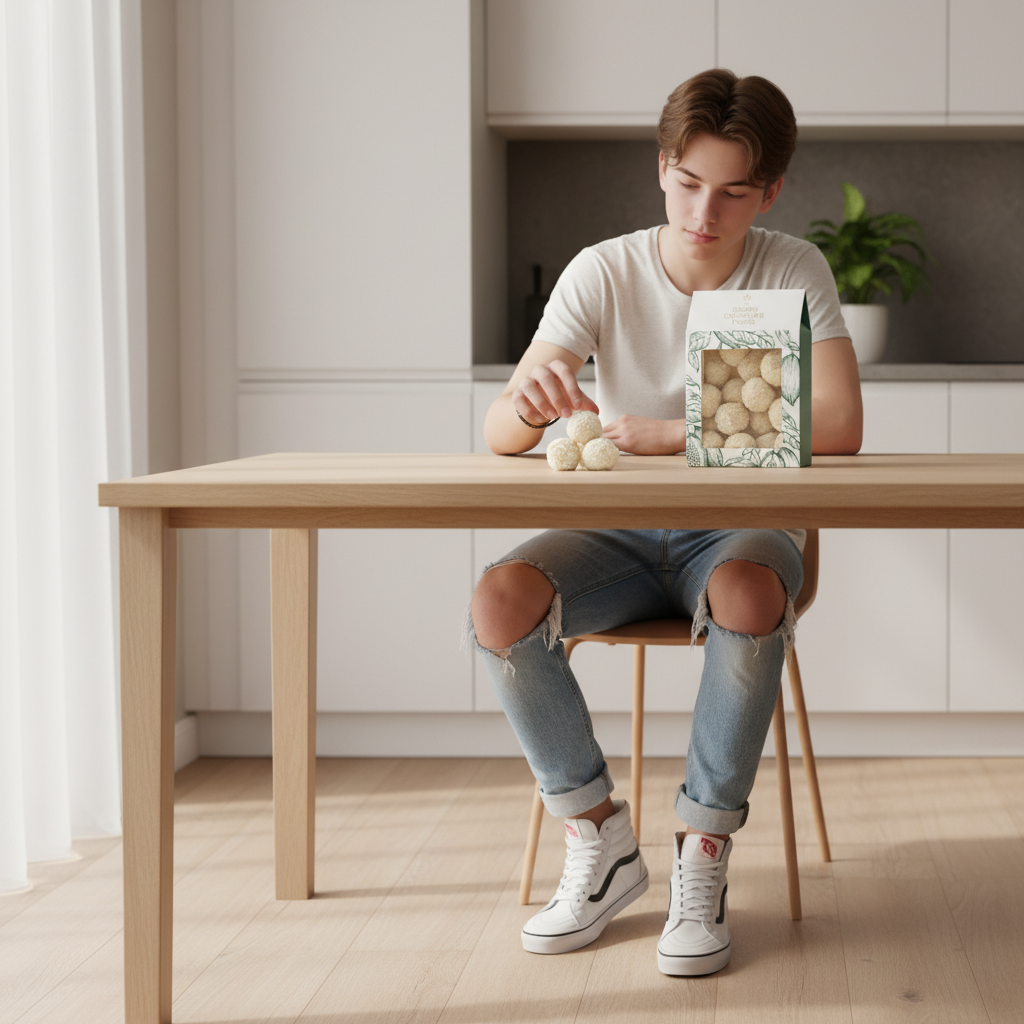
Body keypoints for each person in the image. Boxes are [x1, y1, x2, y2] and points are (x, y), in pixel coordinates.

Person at [468, 68, 863, 976]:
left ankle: (704, 850)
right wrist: (530, 405)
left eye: (732, 192)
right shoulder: (602, 270)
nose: (703, 214)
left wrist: (673, 439)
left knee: (747, 589)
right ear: (661, 169)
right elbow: (499, 434)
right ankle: (599, 837)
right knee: (499, 601)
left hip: (741, 530)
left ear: (768, 192)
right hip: (616, 534)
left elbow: (840, 425)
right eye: (688, 184)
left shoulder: (792, 265)